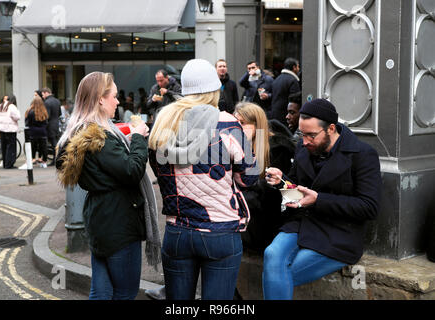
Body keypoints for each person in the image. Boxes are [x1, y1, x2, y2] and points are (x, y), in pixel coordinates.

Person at [148, 59, 259, 300]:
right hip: (220, 231)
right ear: (213, 90)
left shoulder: (164, 121)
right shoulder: (228, 123)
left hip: (177, 231)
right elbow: (249, 178)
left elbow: (159, 171)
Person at [263, 98, 381, 300]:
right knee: (271, 255)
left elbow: (369, 207)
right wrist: (281, 181)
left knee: (278, 276)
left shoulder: (362, 154)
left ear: (331, 129)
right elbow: (296, 188)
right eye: (302, 134)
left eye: (311, 135)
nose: (305, 141)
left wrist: (318, 200)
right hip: (302, 223)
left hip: (338, 233)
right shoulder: (303, 147)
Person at [55, 71, 157, 300]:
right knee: (125, 293)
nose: (118, 101)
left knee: (101, 293)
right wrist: (139, 138)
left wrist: (126, 143)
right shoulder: (100, 137)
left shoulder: (83, 133)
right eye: (114, 96)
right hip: (119, 222)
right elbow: (132, 171)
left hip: (100, 219)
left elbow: (108, 164)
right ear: (100, 99)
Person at [234, 103, 295, 254]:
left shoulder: (277, 149)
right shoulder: (235, 145)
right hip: (244, 215)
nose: (237, 127)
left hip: (266, 219)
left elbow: (274, 194)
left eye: (242, 123)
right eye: (235, 123)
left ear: (257, 124)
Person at [271, 58, 301, 126]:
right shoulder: (293, 80)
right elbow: (295, 101)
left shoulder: (277, 79)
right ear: (294, 67)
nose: (299, 69)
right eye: (298, 66)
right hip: (285, 118)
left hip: (275, 116)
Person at [0, 95, 21, 169]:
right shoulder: (12, 106)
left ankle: (5, 163)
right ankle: (9, 164)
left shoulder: (0, 106)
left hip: (2, 129)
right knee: (11, 147)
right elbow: (18, 117)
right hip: (10, 129)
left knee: (4, 146)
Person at [25, 96, 49, 168]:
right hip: (42, 132)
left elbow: (27, 123)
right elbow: (46, 122)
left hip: (33, 132)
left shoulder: (30, 111)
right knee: (43, 146)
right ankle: (44, 161)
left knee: (33, 146)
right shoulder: (44, 111)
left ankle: (32, 159)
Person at [41, 87, 61, 166]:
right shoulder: (57, 101)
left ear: (46, 93)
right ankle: (56, 159)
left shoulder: (47, 102)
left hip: (50, 125)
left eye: (43, 95)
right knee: (56, 143)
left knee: (53, 144)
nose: (42, 96)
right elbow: (59, 113)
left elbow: (47, 116)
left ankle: (55, 160)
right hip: (56, 124)